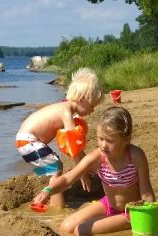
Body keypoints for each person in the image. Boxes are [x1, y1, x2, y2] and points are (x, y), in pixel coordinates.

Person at [33, 106, 156, 236]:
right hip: (108, 204)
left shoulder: (136, 156)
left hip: (132, 211)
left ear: (126, 139)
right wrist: (48, 190)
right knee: (65, 227)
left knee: (81, 230)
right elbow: (69, 178)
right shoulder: (98, 157)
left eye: (109, 141)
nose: (103, 145)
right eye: (100, 138)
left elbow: (147, 194)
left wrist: (147, 220)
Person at [16, 67, 104, 208]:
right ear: (82, 99)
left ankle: (49, 195)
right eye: (92, 106)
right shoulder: (66, 113)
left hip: (26, 140)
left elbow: (76, 147)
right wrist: (82, 174)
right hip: (28, 140)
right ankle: (57, 208)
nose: (92, 111)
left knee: (55, 167)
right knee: (57, 167)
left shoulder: (65, 107)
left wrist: (87, 165)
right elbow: (73, 149)